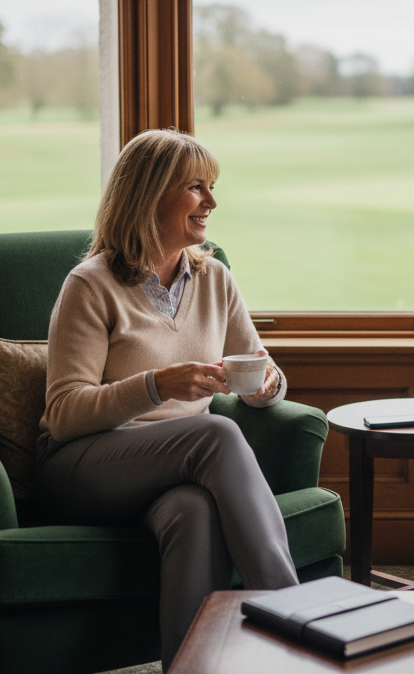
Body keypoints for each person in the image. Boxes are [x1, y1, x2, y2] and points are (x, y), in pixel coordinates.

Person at [34, 129, 299, 671]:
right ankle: (297, 616)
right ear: (149, 194)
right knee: (216, 432)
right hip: (84, 468)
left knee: (193, 511)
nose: (212, 202)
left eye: (212, 187)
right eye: (196, 187)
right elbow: (62, 415)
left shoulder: (213, 277)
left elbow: (262, 368)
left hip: (178, 475)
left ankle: (187, 666)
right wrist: (157, 385)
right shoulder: (92, 284)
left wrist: (268, 387)